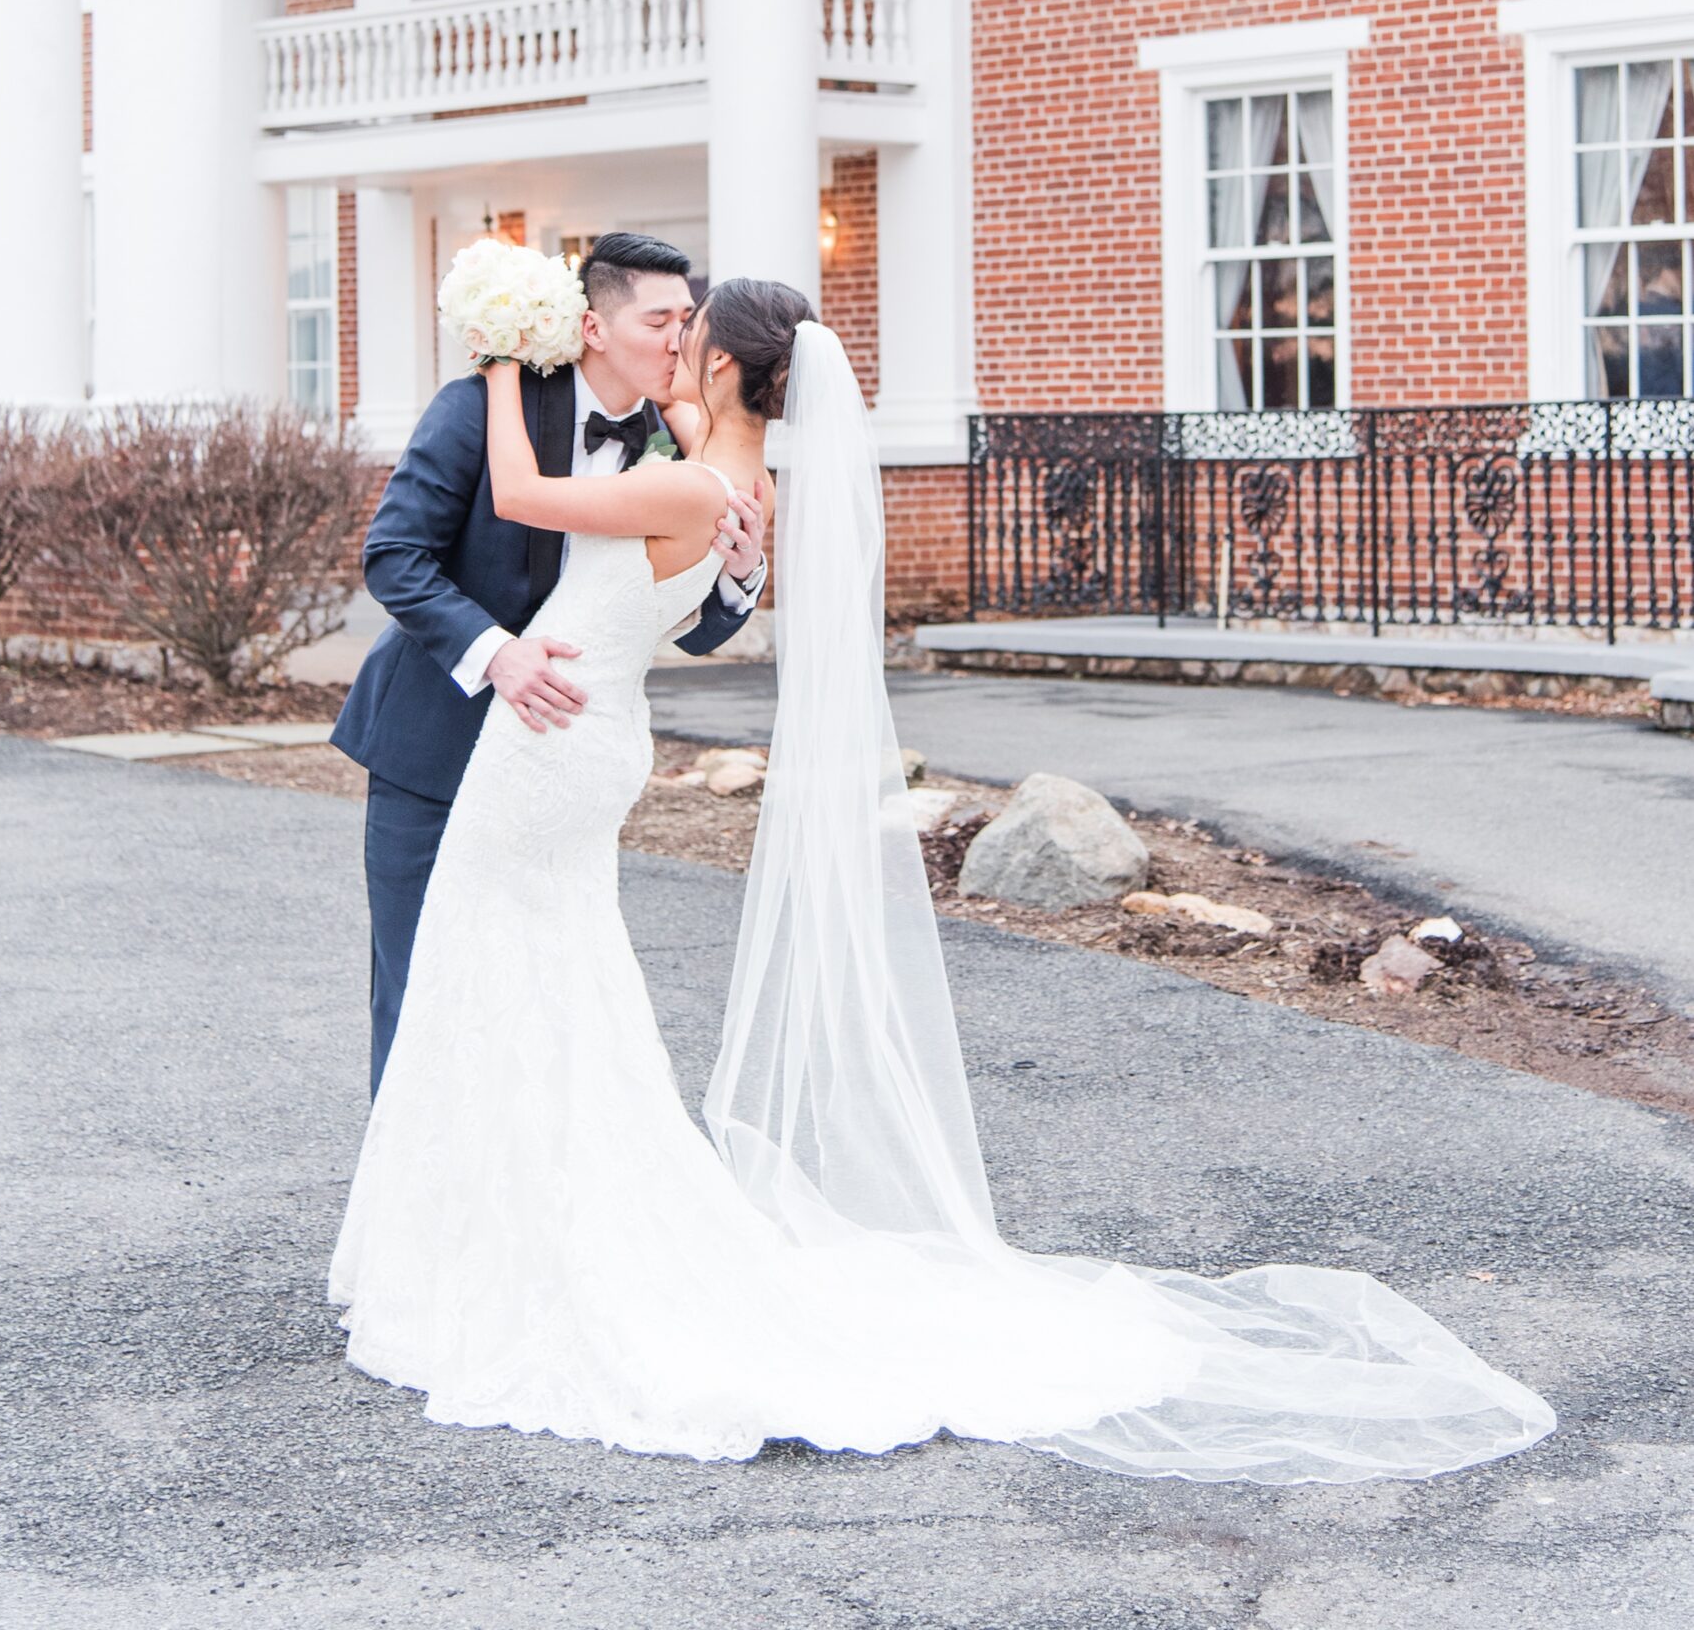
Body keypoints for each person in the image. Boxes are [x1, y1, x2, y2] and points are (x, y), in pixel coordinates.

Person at [329, 279, 1554, 1481]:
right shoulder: (735, 480)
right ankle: (503, 1227)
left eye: (686, 332)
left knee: (510, 966)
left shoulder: (684, 475)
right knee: (547, 979)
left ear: (712, 366)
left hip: (546, 756)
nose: (673, 344)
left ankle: (511, 1250)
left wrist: (498, 362)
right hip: (577, 750)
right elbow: (663, 489)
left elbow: (522, 492)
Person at [330, 233, 768, 1094]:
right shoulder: (477, 410)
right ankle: (413, 1208)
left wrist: (743, 576)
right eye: (660, 320)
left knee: (534, 992)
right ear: (594, 328)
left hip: (556, 771)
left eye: (689, 320)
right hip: (436, 749)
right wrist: (497, 655)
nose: (680, 340)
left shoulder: (677, 454)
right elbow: (394, 557)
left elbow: (685, 634)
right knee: (420, 987)